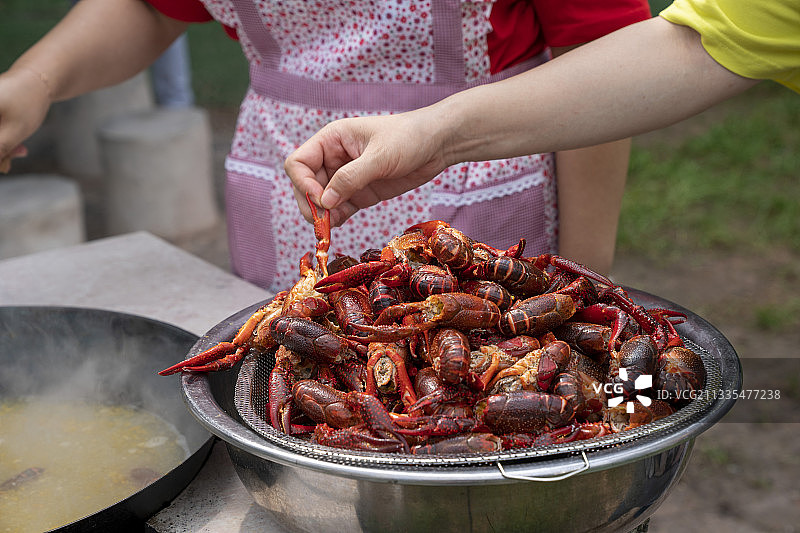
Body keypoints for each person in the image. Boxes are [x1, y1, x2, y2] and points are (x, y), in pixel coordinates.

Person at [0, 0, 652, 291]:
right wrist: (36, 80)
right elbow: (154, 6)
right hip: (286, 190)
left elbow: (601, 52)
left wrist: (585, 280)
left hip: (474, 188)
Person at [286, 0, 799, 234]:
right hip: (290, 166)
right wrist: (433, 133)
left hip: (489, 193)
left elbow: (628, 39)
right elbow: (697, 42)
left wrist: (588, 262)